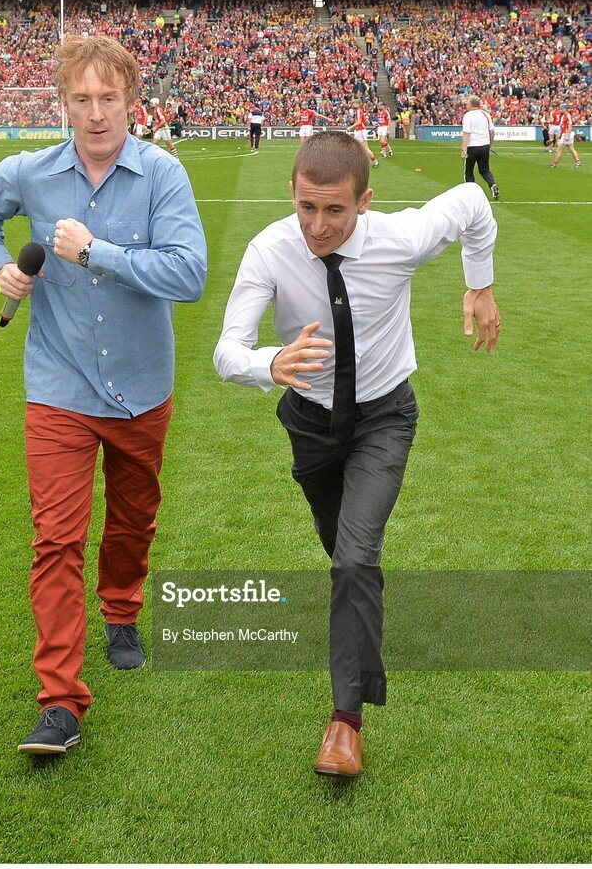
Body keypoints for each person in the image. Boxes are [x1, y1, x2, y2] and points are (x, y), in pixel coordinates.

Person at [213, 132, 500, 778]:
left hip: (383, 419)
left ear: (364, 201)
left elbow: (470, 203)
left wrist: (477, 285)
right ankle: (359, 601)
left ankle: (345, 722)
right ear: (291, 192)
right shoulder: (269, 250)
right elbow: (227, 349)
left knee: (353, 556)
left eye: (334, 211)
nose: (317, 225)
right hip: (309, 426)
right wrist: (268, 361)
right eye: (306, 207)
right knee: (341, 552)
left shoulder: (399, 236)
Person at [0, 35, 207, 756]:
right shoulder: (31, 173)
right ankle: (60, 701)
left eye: (108, 98)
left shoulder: (162, 174)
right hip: (58, 387)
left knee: (132, 521)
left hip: (140, 389)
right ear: (62, 104)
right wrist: (2, 265)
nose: (95, 114)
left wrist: (97, 251)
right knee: (56, 537)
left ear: (132, 102)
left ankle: (121, 607)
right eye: (80, 99)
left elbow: (189, 274)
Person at [461, 96, 499, 201]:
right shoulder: (485, 114)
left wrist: (464, 149)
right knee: (485, 170)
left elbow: (466, 133)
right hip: (484, 145)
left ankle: (471, 195)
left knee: (469, 171)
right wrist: (490, 145)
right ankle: (493, 185)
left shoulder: (468, 116)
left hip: (472, 146)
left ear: (471, 104)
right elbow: (492, 131)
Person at [347, 101, 379, 168]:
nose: (353, 105)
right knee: (356, 147)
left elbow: (359, 122)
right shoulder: (358, 111)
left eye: (354, 103)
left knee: (365, 148)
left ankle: (375, 161)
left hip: (361, 130)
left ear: (358, 104)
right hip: (359, 130)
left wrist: (351, 127)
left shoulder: (358, 111)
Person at [550, 104, 581, 169]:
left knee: (559, 149)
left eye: (562, 108)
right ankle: (578, 162)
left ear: (566, 109)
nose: (561, 109)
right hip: (565, 134)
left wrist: (567, 135)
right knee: (571, 149)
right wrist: (559, 135)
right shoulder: (563, 116)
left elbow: (570, 126)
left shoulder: (568, 115)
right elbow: (563, 127)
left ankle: (554, 164)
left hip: (567, 134)